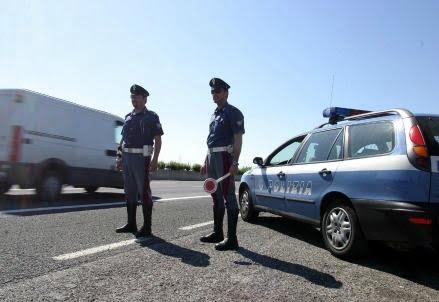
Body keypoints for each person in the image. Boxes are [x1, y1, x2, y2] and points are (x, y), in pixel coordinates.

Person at [200, 77, 244, 251]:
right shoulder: (214, 114)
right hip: (212, 157)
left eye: (217, 91)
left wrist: (235, 162)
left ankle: (232, 239)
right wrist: (206, 160)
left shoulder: (234, 113)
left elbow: (238, 139)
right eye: (212, 91)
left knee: (228, 197)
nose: (214, 94)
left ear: (226, 92)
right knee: (215, 195)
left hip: (225, 157)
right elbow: (211, 140)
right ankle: (217, 232)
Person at [115, 84, 163, 238]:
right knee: (129, 191)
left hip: (142, 158)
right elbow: (122, 139)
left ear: (145, 99)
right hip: (127, 157)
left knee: (143, 192)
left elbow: (158, 139)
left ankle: (147, 227)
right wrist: (119, 156)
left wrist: (155, 159)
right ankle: (131, 223)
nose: (133, 99)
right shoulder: (128, 117)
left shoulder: (152, 116)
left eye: (136, 97)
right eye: (132, 97)